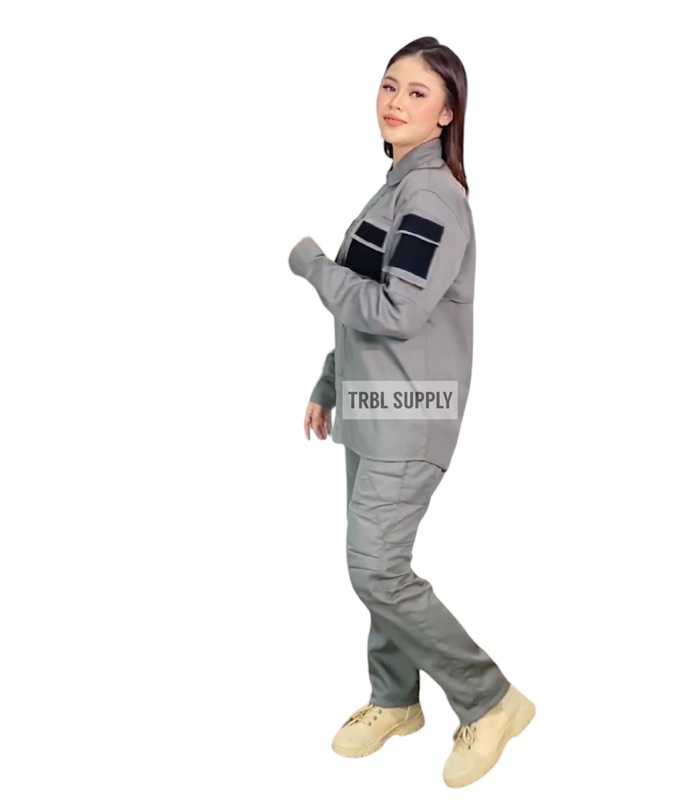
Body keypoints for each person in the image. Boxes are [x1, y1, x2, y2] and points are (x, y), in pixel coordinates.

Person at [288, 36, 536, 789]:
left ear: (448, 114)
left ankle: (490, 699)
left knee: (376, 569)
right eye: (389, 84)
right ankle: (395, 699)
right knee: (380, 569)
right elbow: (363, 308)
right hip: (372, 407)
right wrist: (330, 382)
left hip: (409, 413)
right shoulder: (393, 189)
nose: (396, 101)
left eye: (418, 92)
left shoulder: (431, 196)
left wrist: (311, 266)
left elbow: (395, 311)